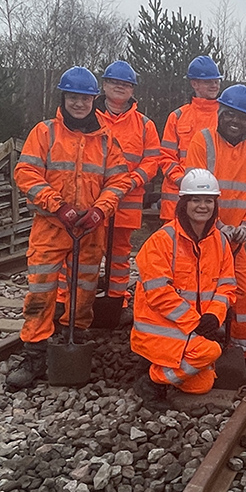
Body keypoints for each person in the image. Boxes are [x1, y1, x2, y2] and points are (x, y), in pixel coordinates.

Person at [7, 66, 130, 389]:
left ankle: (75, 341)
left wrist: (99, 211)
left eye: (85, 98)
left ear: (94, 100)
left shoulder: (105, 139)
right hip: (51, 227)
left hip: (89, 230)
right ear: (64, 97)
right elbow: (26, 174)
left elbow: (119, 180)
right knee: (41, 292)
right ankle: (35, 353)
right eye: (73, 97)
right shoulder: (45, 133)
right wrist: (57, 206)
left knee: (83, 292)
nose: (79, 104)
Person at [131, 169, 237, 406]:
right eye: (196, 200)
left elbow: (227, 285)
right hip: (162, 329)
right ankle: (153, 380)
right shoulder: (162, 241)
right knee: (210, 352)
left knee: (201, 385)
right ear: (184, 203)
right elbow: (159, 293)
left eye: (208, 201)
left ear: (215, 205)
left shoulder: (219, 241)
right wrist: (195, 322)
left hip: (194, 328)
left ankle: (158, 368)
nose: (202, 206)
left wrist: (213, 316)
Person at [186, 84, 246, 362]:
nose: (235, 121)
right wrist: (218, 226)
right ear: (221, 113)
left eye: (242, 117)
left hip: (237, 241)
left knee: (245, 296)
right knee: (201, 292)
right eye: (231, 115)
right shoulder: (203, 141)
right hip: (204, 236)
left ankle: (242, 351)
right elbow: (195, 191)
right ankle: (197, 345)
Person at [92, 60, 161, 321]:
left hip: (127, 205)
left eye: (126, 84)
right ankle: (79, 303)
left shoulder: (144, 125)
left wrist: (132, 181)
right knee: (88, 253)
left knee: (119, 257)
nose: (120, 88)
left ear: (132, 90)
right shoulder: (91, 117)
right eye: (114, 83)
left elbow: (152, 161)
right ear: (104, 85)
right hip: (93, 200)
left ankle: (115, 304)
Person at [159, 56, 222, 222]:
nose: (214, 85)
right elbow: (166, 157)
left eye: (216, 81)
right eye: (209, 81)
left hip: (211, 198)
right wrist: (183, 181)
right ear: (194, 84)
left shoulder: (225, 117)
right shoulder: (177, 116)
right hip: (177, 198)